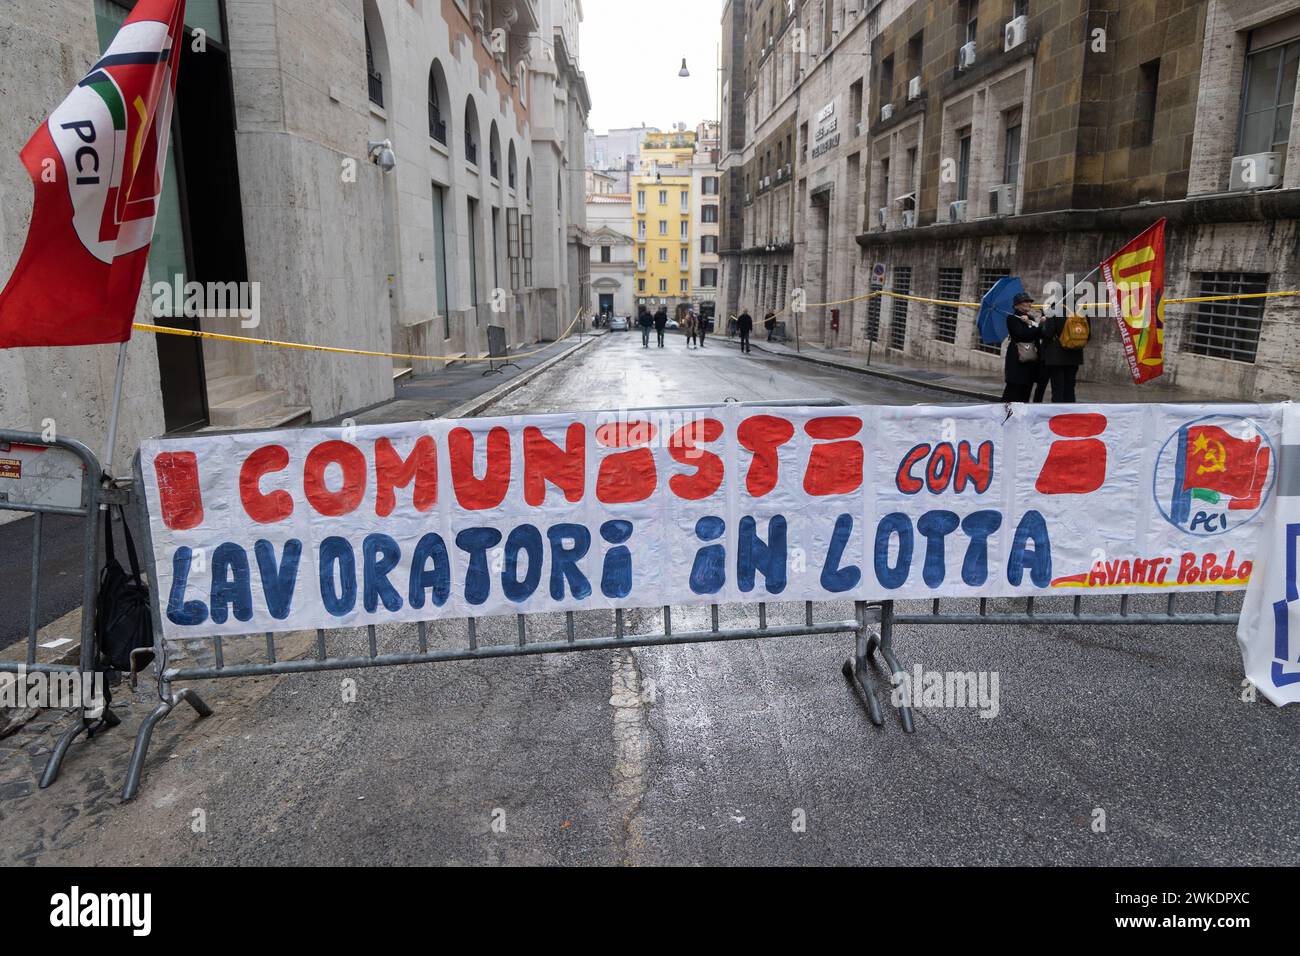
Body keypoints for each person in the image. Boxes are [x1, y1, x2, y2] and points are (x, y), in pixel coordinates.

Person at [1035, 307, 1089, 403]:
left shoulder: (1053, 311)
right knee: (1070, 389)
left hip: (1057, 358)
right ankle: (1070, 414)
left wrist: (1042, 324)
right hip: (1074, 356)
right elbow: (1088, 335)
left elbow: (1048, 334)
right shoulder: (1082, 310)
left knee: (1058, 390)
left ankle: (1058, 415)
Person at [1001, 292, 1042, 403]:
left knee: (1026, 390)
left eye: (1030, 301)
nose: (1029, 304)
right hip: (1017, 359)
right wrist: (1036, 326)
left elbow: (1037, 335)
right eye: (1026, 301)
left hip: (1030, 359)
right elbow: (1022, 335)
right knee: (1013, 391)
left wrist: (1031, 323)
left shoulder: (1030, 317)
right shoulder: (1012, 318)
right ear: (1017, 305)